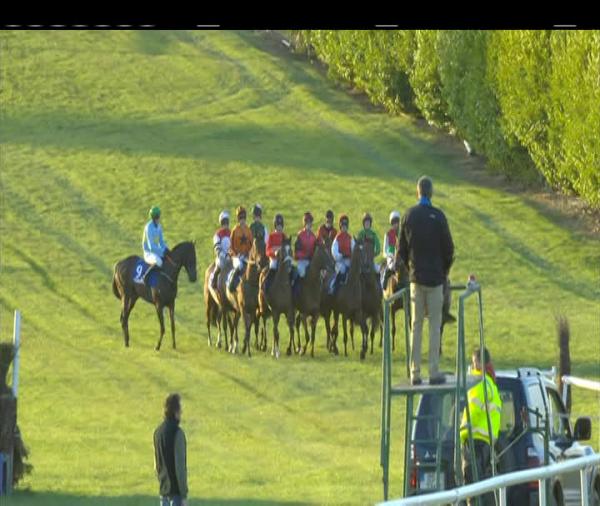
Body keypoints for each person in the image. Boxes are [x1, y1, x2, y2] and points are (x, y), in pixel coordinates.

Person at [398, 176, 454, 385]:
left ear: (418, 192)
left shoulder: (408, 216)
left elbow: (401, 250)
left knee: (416, 326)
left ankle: (415, 373)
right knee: (435, 326)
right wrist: (443, 272)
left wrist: (411, 269)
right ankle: (433, 371)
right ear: (431, 193)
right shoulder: (439, 217)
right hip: (435, 280)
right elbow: (449, 249)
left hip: (416, 279)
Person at [460, 347, 502, 506]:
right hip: (486, 443)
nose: (472, 366)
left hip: (473, 441)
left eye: (473, 362)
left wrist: (461, 431)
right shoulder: (491, 383)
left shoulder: (478, 383)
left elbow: (473, 411)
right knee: (484, 488)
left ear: (479, 363)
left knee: (471, 488)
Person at [154, 393, 188, 506]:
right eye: (180, 409)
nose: (181, 412)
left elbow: (156, 466)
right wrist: (184, 495)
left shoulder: (157, 433)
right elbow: (180, 468)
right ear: (175, 412)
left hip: (163, 492)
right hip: (176, 495)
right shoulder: (178, 433)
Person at [228, 206, 253, 290]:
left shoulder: (248, 230)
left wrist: (248, 254)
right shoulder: (235, 230)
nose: (242, 220)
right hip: (236, 256)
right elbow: (231, 246)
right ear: (238, 219)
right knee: (239, 265)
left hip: (246, 256)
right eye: (240, 218)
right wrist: (236, 254)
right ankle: (232, 284)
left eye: (243, 218)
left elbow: (251, 245)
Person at [329, 214, 355, 294]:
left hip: (349, 261)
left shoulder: (350, 238)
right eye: (343, 226)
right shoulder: (337, 238)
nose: (344, 227)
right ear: (340, 226)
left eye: (345, 226)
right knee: (342, 270)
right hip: (340, 262)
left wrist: (352, 256)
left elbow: (354, 249)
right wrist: (341, 255)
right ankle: (333, 287)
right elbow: (334, 251)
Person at [263, 213, 287, 293]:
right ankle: (267, 287)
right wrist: (274, 253)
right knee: (272, 267)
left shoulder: (284, 236)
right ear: (275, 226)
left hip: (283, 259)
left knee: (291, 269)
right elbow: (267, 251)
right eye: (278, 226)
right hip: (274, 259)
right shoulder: (271, 236)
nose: (279, 227)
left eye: (280, 226)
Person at [381, 210, 401, 290]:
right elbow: (384, 251)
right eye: (393, 223)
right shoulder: (388, 234)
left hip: (400, 256)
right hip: (391, 255)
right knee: (392, 266)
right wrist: (390, 255)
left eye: (397, 222)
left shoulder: (402, 233)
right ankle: (384, 282)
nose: (395, 225)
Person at [211, 210, 231, 290]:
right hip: (222, 259)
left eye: (227, 222)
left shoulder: (232, 233)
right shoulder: (217, 234)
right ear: (221, 223)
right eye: (224, 222)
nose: (226, 224)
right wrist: (225, 256)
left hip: (231, 257)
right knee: (219, 265)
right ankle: (214, 282)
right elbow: (217, 250)